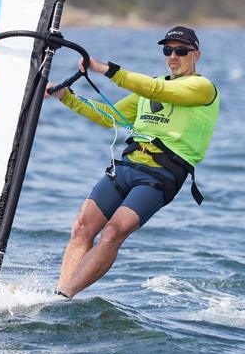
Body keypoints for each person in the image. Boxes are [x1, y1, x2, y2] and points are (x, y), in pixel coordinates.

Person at [45, 26, 219, 298]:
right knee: (81, 227)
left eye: (181, 51)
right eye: (168, 50)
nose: (173, 56)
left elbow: (157, 89)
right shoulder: (148, 91)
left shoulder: (202, 88)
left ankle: (64, 296)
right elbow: (109, 116)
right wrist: (66, 97)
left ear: (196, 55)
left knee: (114, 231)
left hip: (160, 175)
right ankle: (58, 296)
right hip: (126, 167)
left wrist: (105, 69)